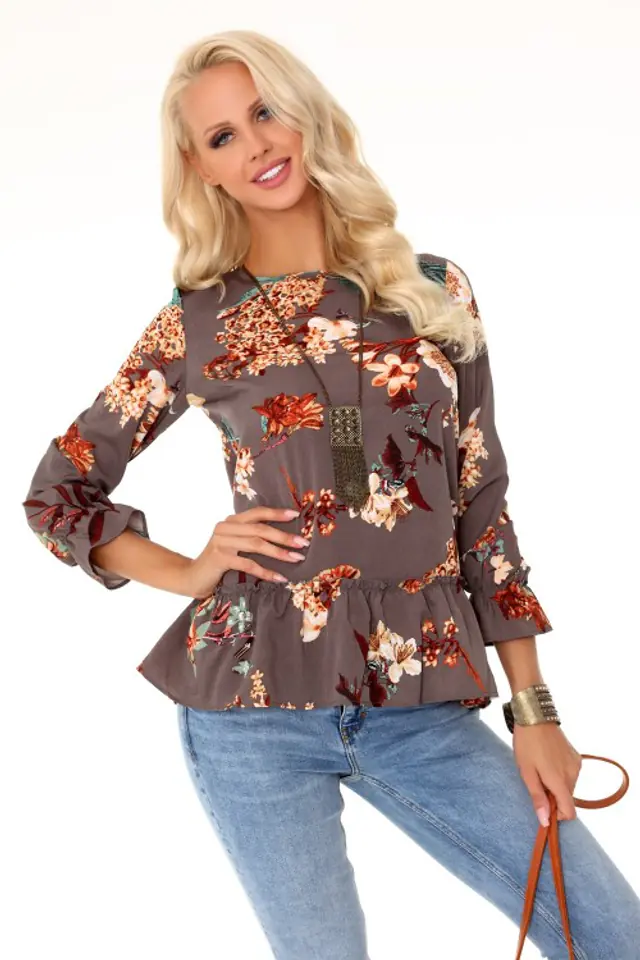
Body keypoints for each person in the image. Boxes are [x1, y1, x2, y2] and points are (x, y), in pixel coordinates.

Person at [22, 28, 640, 960]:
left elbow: (482, 505)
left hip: (422, 702)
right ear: (202, 169)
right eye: (223, 136)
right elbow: (59, 491)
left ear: (305, 113)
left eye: (265, 112)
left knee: (612, 933)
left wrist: (535, 711)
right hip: (251, 711)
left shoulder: (434, 290)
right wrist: (187, 571)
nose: (257, 145)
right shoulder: (201, 324)